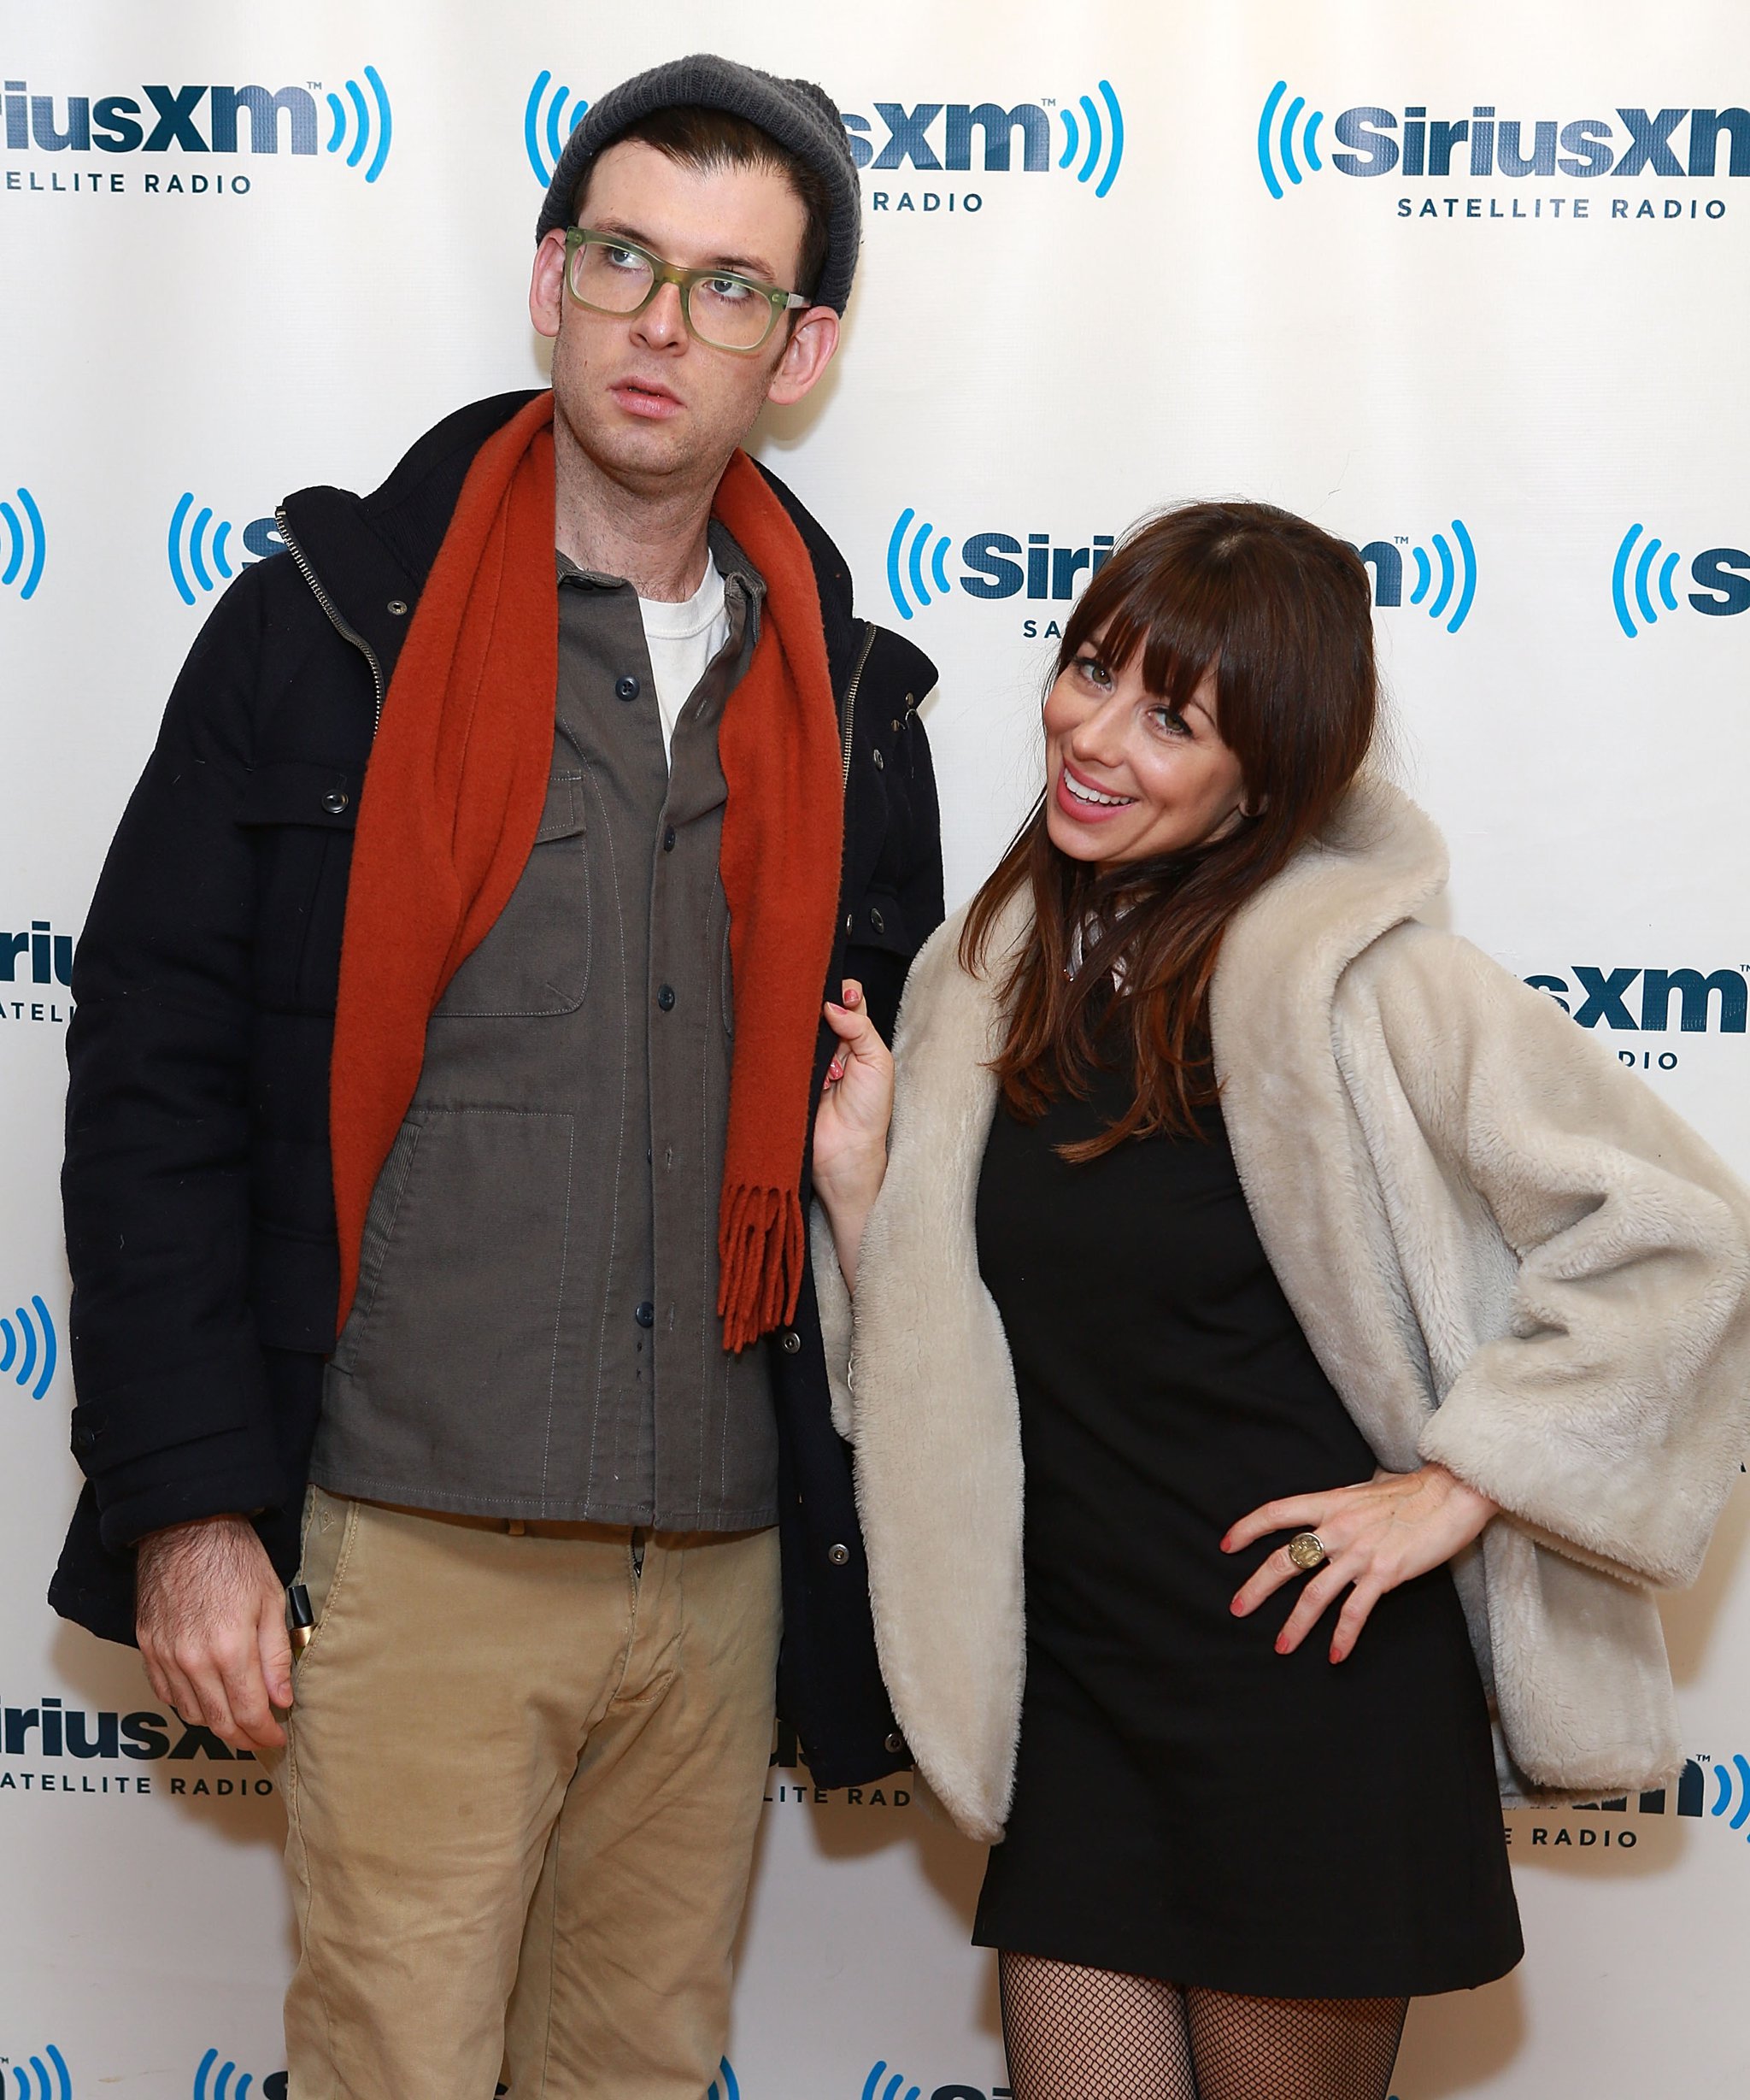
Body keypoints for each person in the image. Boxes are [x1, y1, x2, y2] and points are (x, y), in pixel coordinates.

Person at [50, 54, 942, 2100]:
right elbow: (158, 1078)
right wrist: (188, 1505)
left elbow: (889, 1133)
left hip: (719, 1570)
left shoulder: (855, 710)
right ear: (547, 278)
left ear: (798, 351)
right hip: (408, 1547)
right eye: (625, 256)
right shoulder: (321, 633)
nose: (662, 321)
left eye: (730, 287)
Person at [810, 501, 1750, 2100]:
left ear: (1272, 774)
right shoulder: (987, 975)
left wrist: (1464, 1482)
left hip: (1311, 1703)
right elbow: (947, 1369)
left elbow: (1686, 1238)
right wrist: (864, 1188)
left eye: (1169, 717)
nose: (1090, 735)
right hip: (1085, 1692)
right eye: (1089, 668)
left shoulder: (1383, 991)